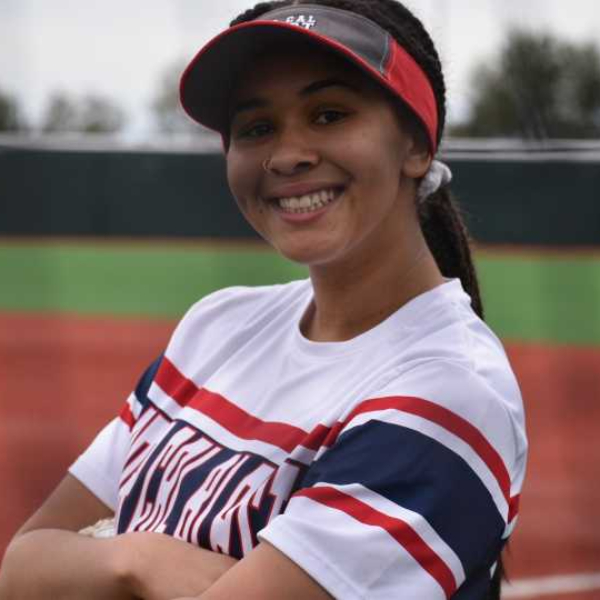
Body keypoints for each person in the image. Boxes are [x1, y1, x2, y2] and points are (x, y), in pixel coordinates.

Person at [0, 1, 527, 598]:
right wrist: (138, 560)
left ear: (416, 145)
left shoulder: (447, 392)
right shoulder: (217, 326)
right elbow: (20, 567)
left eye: (329, 114)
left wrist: (93, 562)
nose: (287, 154)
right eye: (256, 128)